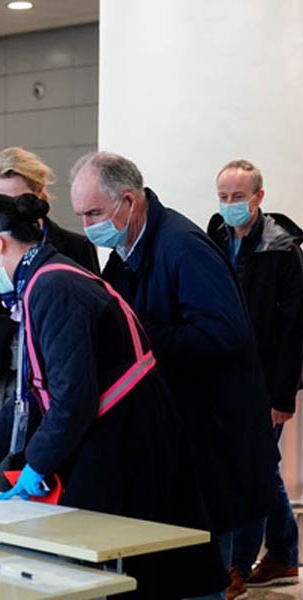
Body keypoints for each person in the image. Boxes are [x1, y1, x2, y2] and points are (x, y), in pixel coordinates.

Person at [0, 193, 226, 598]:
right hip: (117, 434)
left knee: (142, 564)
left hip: (129, 437)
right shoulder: (40, 281)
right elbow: (31, 393)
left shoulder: (54, 286)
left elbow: (71, 397)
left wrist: (36, 467)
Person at [70, 152, 279, 598]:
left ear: (128, 201)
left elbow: (225, 333)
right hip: (173, 433)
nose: (88, 226)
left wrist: (141, 334)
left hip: (212, 436)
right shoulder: (127, 248)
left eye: (94, 213)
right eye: (81, 215)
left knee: (203, 573)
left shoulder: (181, 246)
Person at [0, 147, 99, 487]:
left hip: (50, 383)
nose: (3, 214)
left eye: (14, 202)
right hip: (3, 378)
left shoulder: (57, 273)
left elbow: (72, 388)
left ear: (39, 196)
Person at [207, 159, 302, 595]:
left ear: (259, 197)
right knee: (256, 468)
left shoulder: (282, 250)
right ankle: (283, 552)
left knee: (253, 470)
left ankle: (238, 567)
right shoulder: (215, 237)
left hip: (264, 384)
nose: (229, 205)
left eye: (237, 197)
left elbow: (295, 331)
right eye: (223, 197)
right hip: (225, 380)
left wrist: (282, 397)